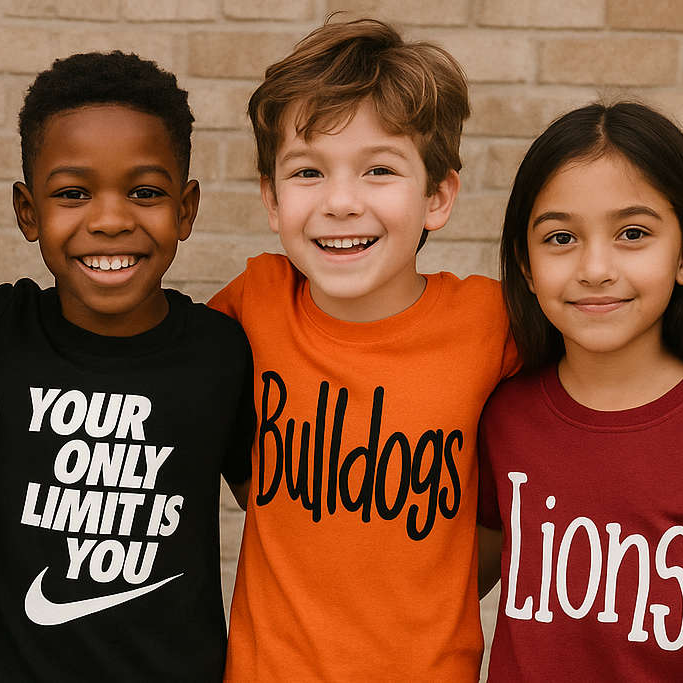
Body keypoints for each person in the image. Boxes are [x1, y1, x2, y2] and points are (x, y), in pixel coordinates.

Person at [208, 17, 518, 682]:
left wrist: (453, 571)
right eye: (308, 171)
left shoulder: (492, 323)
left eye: (380, 169)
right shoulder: (254, 302)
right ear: (271, 197)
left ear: (437, 195)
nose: (341, 202)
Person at [0, 51, 255, 683]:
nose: (110, 219)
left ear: (186, 210)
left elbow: (282, 525)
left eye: (144, 192)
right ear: (27, 212)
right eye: (73, 193)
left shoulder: (222, 354)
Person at [477, 101, 683, 682]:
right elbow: (441, 588)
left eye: (632, 233)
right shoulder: (501, 414)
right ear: (526, 267)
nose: (596, 267)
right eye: (560, 238)